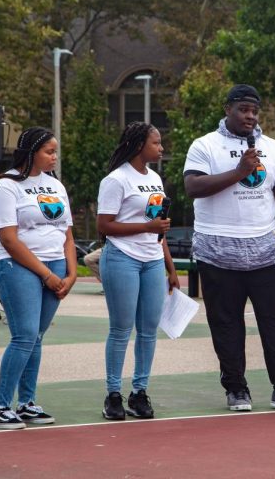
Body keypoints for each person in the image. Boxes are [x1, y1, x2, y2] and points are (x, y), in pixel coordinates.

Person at [183, 84, 275, 412]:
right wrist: (239, 172)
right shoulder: (205, 146)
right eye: (243, 109)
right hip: (218, 251)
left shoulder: (274, 149)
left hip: (264, 250)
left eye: (254, 110)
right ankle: (236, 390)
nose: (250, 115)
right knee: (226, 323)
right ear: (228, 108)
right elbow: (193, 187)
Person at [0, 127, 77, 429]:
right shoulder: (7, 186)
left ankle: (26, 403)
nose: (54, 157)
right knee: (24, 335)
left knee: (36, 337)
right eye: (49, 151)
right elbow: (9, 240)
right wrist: (47, 274)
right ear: (31, 152)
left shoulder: (56, 186)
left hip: (55, 266)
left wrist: (72, 272)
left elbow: (66, 234)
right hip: (17, 266)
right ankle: (1, 407)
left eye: (56, 151)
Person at [97, 122, 180, 420]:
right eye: (156, 143)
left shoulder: (155, 178)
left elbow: (160, 230)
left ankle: (139, 392)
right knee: (121, 329)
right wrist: (146, 227)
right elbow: (104, 226)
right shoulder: (116, 180)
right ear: (138, 145)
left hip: (153, 260)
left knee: (148, 331)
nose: (161, 148)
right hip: (122, 257)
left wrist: (170, 267)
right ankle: (114, 395)